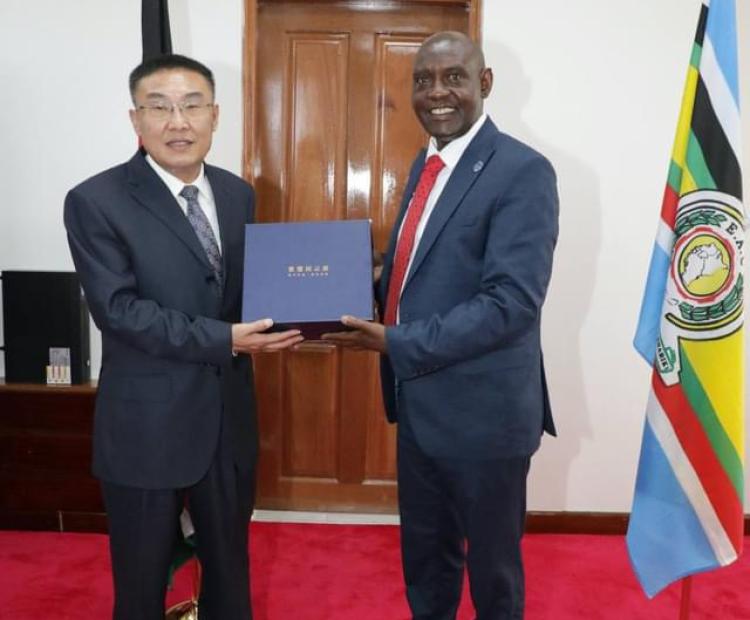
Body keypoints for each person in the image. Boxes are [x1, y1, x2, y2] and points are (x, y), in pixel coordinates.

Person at [323, 32, 558, 619]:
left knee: (492, 577)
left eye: (453, 77)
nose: (436, 93)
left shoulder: (522, 172)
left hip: (486, 415)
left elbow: (511, 303)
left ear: (484, 84)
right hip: (422, 406)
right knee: (426, 562)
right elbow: (418, 270)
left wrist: (395, 341)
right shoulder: (426, 163)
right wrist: (345, 284)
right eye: (423, 80)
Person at [63, 54, 303, 620]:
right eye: (160, 107)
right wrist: (228, 339)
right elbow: (120, 312)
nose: (178, 122)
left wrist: (317, 304)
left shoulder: (238, 193)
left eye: (192, 106)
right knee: (142, 586)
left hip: (228, 423)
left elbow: (250, 293)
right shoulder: (96, 201)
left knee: (230, 575)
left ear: (214, 115)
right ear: (135, 119)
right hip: (147, 429)